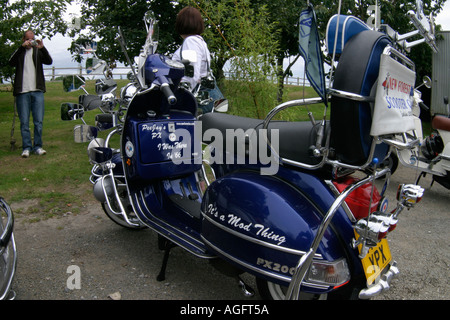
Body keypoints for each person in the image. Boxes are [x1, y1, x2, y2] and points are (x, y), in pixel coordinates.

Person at [172, 6, 226, 114]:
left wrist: (181, 97)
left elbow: (191, 74)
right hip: (210, 94)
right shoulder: (199, 41)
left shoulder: (191, 41)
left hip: (202, 97)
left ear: (181, 23)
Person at [9, 29, 53, 158]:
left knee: (38, 121)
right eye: (28, 39)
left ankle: (38, 146)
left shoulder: (38, 52)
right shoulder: (20, 53)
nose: (30, 41)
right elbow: (11, 62)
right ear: (24, 40)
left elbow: (49, 61)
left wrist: (42, 47)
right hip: (22, 91)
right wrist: (21, 48)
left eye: (32, 39)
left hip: (37, 90)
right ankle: (26, 147)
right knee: (24, 122)